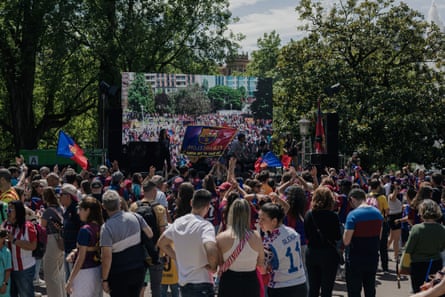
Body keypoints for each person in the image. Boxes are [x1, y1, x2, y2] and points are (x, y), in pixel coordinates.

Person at [157, 189, 219, 297]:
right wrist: (213, 267)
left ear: (191, 202)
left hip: (184, 283)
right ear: (208, 206)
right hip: (202, 283)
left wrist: (177, 256)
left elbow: (161, 243)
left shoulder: (178, 223)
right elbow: (211, 249)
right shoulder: (205, 226)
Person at [100, 189, 153, 297]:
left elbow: (106, 257)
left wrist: (104, 279)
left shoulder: (106, 228)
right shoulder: (136, 217)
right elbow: (150, 234)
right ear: (119, 203)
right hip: (138, 269)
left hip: (118, 274)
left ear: (104, 206)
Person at [216, 199, 264, 297]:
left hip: (229, 282)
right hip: (250, 282)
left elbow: (219, 263)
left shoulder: (221, 238)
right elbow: (260, 263)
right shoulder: (256, 236)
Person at [129, 180, 168, 297]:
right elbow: (163, 232)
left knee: (139, 284)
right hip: (155, 253)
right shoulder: (160, 209)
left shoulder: (134, 207)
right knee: (156, 286)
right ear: (155, 191)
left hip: (138, 252)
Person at [258, 202, 307, 297]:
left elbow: (262, 270)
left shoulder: (269, 242)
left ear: (274, 221)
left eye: (263, 219)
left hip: (281, 287)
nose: (260, 222)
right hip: (301, 283)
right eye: (259, 218)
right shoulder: (293, 232)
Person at [343, 188, 383, 297]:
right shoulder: (378, 213)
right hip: (372, 257)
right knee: (370, 289)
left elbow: (346, 241)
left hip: (356, 258)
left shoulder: (353, 215)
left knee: (354, 291)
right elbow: (379, 236)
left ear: (352, 199)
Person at [304, 186, 342, 297]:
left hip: (312, 252)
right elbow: (337, 236)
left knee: (313, 289)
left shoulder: (308, 214)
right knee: (327, 289)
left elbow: (307, 234)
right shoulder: (333, 216)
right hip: (329, 253)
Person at [404, 199, 445, 293]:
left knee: (418, 291)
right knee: (432, 291)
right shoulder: (442, 229)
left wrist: (405, 267)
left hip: (418, 265)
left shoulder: (416, 229)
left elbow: (408, 250)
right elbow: (442, 248)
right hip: (435, 264)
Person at [66, 197, 104, 297]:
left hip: (84, 273)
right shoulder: (100, 227)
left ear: (88, 210)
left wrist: (70, 280)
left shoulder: (85, 230)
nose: (79, 213)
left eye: (81, 209)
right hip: (97, 270)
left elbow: (81, 258)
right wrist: (75, 251)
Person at [2, 200, 37, 297]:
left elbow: (32, 246)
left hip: (24, 269)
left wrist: (14, 240)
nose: (8, 211)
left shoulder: (27, 227)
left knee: (26, 294)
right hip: (9, 269)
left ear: (18, 211)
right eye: (7, 208)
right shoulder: (5, 225)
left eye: (11, 209)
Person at [41, 187, 65, 297]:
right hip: (61, 240)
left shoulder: (47, 211)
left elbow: (42, 227)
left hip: (51, 241)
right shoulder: (60, 209)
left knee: (50, 275)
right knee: (59, 274)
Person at [59, 183, 81, 280]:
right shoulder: (67, 210)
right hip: (67, 250)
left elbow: (82, 231)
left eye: (61, 195)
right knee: (67, 281)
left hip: (74, 253)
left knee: (73, 282)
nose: (59, 197)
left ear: (68, 196)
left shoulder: (77, 211)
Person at [0, 229, 11, 297]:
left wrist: (5, 284)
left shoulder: (6, 252)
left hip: (2, 284)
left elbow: (8, 270)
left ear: (4, 238)